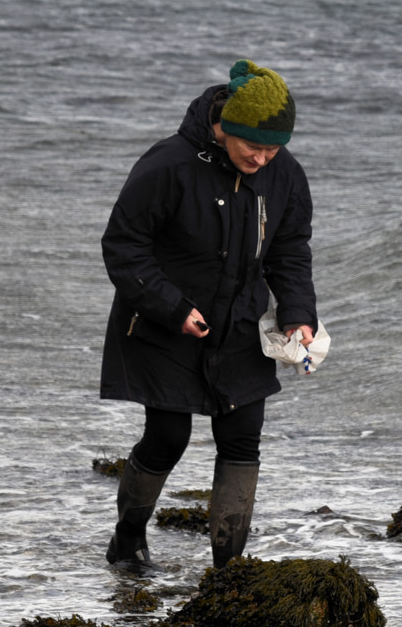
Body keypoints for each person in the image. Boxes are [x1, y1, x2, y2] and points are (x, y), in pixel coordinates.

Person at [98, 59, 319, 570]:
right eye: (253, 147)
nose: (263, 159)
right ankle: (127, 539)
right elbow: (124, 247)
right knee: (168, 437)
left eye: (273, 148)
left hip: (241, 325)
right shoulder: (168, 164)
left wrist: (298, 315)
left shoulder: (284, 173)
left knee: (242, 438)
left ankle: (229, 569)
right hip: (163, 323)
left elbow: (290, 250)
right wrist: (172, 308)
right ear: (227, 129)